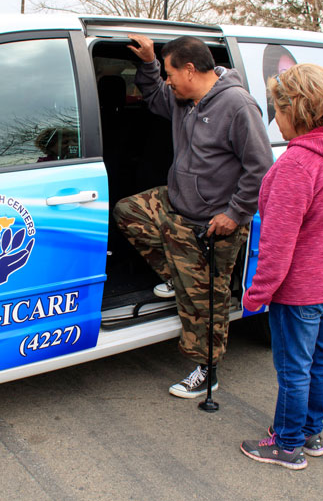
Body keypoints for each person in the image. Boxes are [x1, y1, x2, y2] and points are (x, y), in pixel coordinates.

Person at [114, 34, 272, 398]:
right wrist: (152, 61)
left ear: (189, 69)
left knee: (205, 302)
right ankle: (176, 275)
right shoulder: (185, 99)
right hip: (178, 204)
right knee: (129, 211)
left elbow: (261, 168)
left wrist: (234, 214)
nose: (167, 82)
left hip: (213, 223)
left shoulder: (236, 105)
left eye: (170, 73)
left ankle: (207, 370)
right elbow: (155, 98)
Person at [239, 64, 323, 469]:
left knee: (294, 368)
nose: (274, 117)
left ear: (297, 108)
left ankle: (288, 444)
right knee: (319, 361)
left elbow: (276, 243)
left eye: (277, 108)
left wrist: (256, 294)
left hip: (303, 288)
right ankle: (311, 433)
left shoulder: (297, 165)